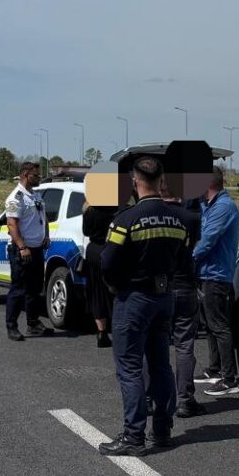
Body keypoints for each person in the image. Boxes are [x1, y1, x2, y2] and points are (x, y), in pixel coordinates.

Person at [99, 156, 190, 455]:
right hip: (165, 298)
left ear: (136, 183)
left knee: (130, 368)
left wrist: (116, 286)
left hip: (133, 299)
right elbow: (183, 260)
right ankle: (162, 431)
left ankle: (133, 436)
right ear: (161, 181)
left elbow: (107, 263)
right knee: (161, 365)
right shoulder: (179, 219)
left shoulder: (125, 219)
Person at [194, 167, 239, 396]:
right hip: (208, 273)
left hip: (217, 275)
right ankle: (214, 369)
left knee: (220, 326)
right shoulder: (210, 205)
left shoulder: (223, 207)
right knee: (211, 326)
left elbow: (207, 241)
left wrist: (187, 258)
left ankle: (229, 377)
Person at [161, 179, 205, 419]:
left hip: (159, 288)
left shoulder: (150, 215)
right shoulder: (191, 218)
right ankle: (186, 400)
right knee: (185, 345)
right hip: (185, 285)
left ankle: (148, 398)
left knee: (152, 346)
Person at [3, 161, 50, 342]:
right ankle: (12, 326)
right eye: (35, 175)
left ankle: (33, 323)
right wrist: (22, 247)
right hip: (22, 250)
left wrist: (46, 235)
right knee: (18, 289)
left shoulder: (36, 195)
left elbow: (43, 217)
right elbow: (12, 224)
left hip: (37, 249)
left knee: (35, 288)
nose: (38, 178)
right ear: (25, 175)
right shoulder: (16, 198)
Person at [81, 199, 116, 349]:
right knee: (115, 291)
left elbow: (86, 232)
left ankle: (101, 333)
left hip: (94, 251)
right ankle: (118, 330)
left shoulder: (90, 210)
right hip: (112, 250)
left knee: (97, 292)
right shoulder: (118, 209)